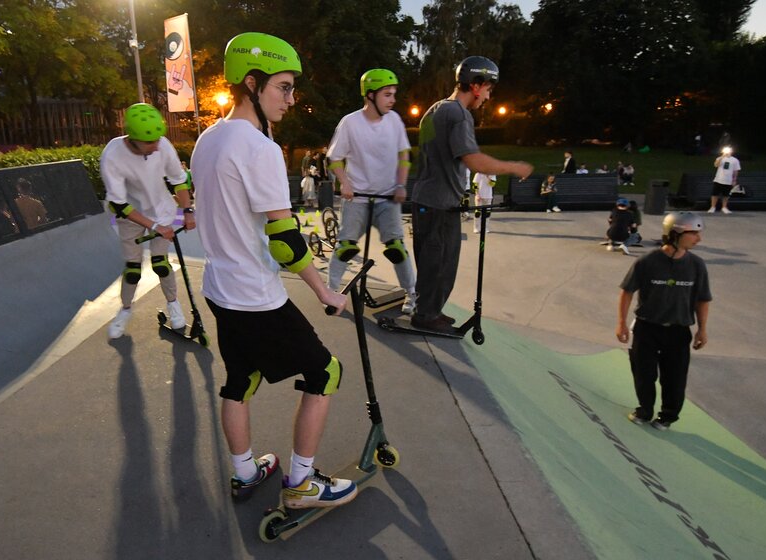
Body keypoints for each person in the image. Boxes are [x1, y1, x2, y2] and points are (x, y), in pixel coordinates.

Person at [190, 32, 356, 510]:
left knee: (240, 380)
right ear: (252, 83)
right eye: (283, 87)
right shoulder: (259, 147)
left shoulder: (208, 139)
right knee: (325, 373)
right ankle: (302, 484)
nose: (290, 98)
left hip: (220, 289)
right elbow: (284, 242)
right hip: (255, 296)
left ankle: (245, 472)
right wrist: (325, 291)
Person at [410, 55, 532, 333]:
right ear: (476, 85)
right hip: (440, 203)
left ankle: (429, 311)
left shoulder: (435, 110)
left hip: (426, 198)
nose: (488, 96)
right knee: (441, 264)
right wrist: (514, 167)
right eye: (489, 89)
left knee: (432, 262)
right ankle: (426, 317)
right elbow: (473, 160)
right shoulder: (458, 114)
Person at [325, 68, 417, 314]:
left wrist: (400, 184)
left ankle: (412, 294)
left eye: (394, 94)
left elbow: (404, 156)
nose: (393, 99)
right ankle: (330, 292)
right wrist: (344, 182)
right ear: (371, 95)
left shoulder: (395, 120)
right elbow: (334, 158)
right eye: (387, 94)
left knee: (397, 248)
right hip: (357, 197)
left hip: (388, 197)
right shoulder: (350, 123)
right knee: (345, 247)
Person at [101, 102, 194, 339]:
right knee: (133, 270)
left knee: (161, 264)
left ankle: (174, 306)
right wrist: (154, 227)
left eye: (157, 140)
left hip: (162, 210)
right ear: (132, 139)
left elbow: (178, 179)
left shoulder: (162, 144)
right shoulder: (112, 155)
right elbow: (119, 204)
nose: (156, 146)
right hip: (130, 216)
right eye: (149, 143)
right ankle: (125, 310)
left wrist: (187, 210)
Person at [617, 212, 711, 430]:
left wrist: (702, 330)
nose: (698, 238)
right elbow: (627, 292)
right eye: (694, 233)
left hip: (678, 331)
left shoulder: (696, 265)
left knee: (675, 378)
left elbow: (703, 300)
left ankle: (667, 416)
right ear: (676, 233)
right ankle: (645, 410)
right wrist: (621, 323)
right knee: (643, 373)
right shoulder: (648, 261)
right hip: (647, 327)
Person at [708, 146, 740, 214]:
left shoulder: (735, 160)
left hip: (728, 180)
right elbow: (716, 165)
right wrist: (722, 156)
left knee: (726, 195)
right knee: (715, 194)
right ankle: (713, 207)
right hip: (718, 179)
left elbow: (736, 171)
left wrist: (734, 180)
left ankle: (724, 207)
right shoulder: (720, 158)